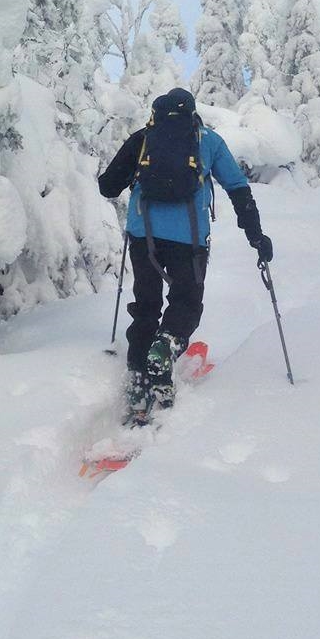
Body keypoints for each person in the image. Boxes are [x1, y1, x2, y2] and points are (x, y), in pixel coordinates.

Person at [98, 87, 273, 424]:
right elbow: (239, 189)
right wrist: (256, 236)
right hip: (189, 238)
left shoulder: (144, 138)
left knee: (146, 303)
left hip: (142, 235)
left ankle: (137, 380)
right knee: (186, 301)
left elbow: (108, 186)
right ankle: (166, 345)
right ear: (193, 114)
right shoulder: (208, 141)